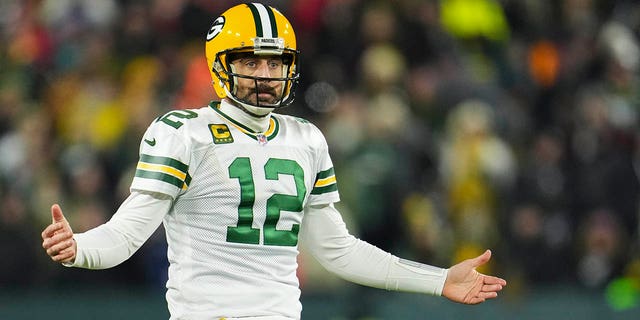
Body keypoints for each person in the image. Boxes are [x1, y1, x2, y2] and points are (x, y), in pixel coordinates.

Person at [42, 3, 506, 319]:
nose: (266, 74)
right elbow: (127, 234)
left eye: (275, 62)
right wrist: (79, 247)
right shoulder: (184, 131)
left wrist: (438, 279)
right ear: (221, 63)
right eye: (252, 62)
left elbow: (336, 249)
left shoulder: (305, 138)